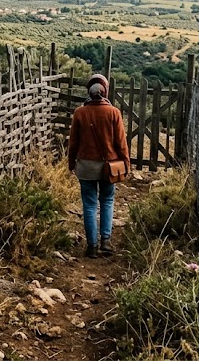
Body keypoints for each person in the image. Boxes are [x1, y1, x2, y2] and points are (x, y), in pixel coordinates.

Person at [67, 73, 130, 258]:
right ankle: (106, 242)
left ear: (89, 91)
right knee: (107, 201)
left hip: (85, 166)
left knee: (89, 204)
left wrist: (71, 164)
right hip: (108, 166)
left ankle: (92, 246)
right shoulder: (114, 113)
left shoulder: (80, 113)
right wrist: (126, 163)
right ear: (105, 91)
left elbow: (74, 143)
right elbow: (121, 142)